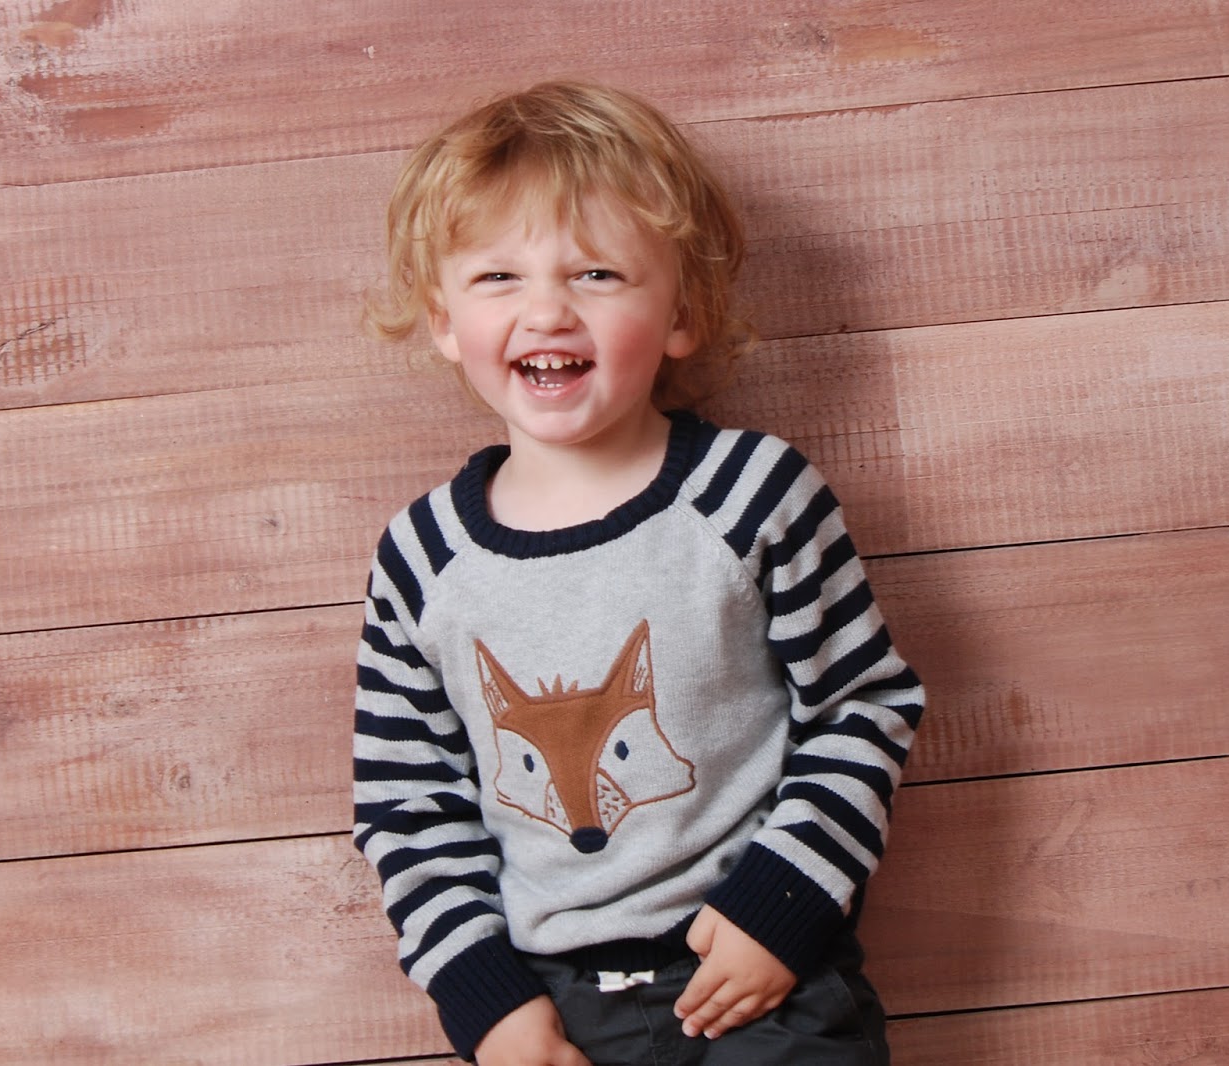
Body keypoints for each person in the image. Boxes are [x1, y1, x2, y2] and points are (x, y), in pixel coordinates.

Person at [352, 81, 925, 1066]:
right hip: (560, 1006)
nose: (546, 311)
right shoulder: (422, 559)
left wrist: (782, 905)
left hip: (766, 977)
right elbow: (408, 806)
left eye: (597, 273)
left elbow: (863, 705)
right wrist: (486, 1003)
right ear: (443, 318)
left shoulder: (753, 496)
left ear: (680, 313)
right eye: (498, 277)